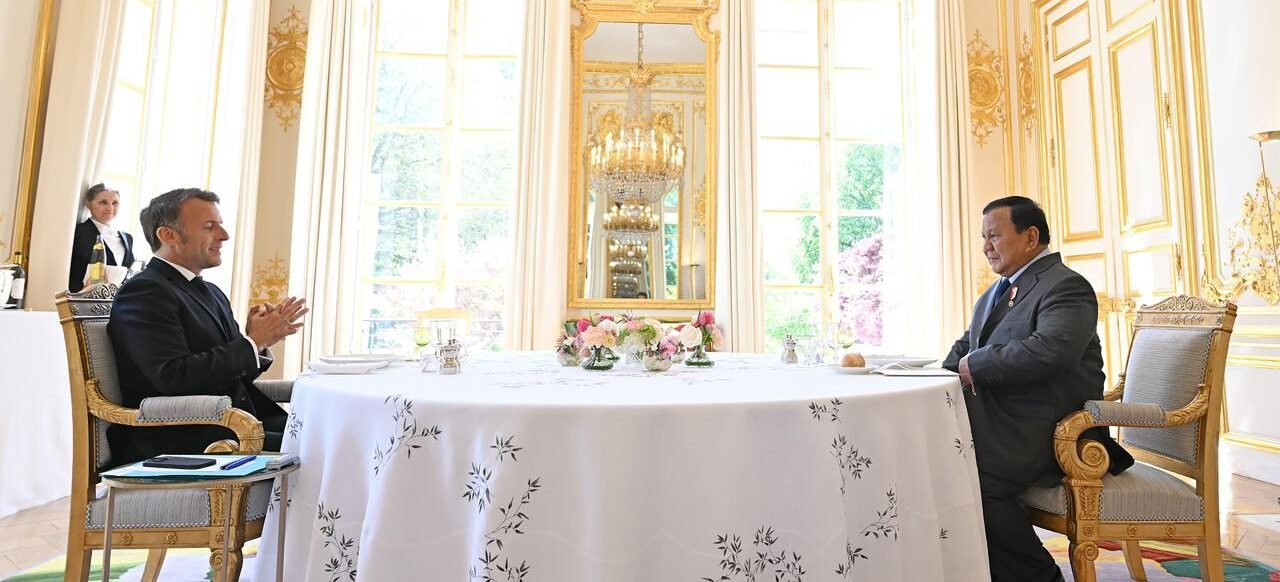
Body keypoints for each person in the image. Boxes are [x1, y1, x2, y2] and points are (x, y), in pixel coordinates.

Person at [942, 195, 1133, 582]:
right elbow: (965, 347)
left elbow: (1051, 350)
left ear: (1030, 237)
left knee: (967, 472)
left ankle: (1041, 576)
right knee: (937, 454)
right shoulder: (995, 292)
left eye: (994, 236)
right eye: (983, 238)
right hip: (1004, 422)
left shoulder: (1066, 286)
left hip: (1050, 428)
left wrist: (973, 365)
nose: (986, 247)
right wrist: (937, 377)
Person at [107, 188, 308, 465]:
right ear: (168, 235)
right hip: (185, 437)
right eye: (209, 226)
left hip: (236, 423)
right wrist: (253, 342)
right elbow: (174, 377)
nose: (224, 235)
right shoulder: (144, 291)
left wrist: (256, 343)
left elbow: (230, 373)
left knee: (336, 434)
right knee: (330, 446)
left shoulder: (212, 291)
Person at [69, 183, 136, 292]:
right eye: (103, 202)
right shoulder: (77, 233)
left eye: (115, 203)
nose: (110, 208)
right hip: (81, 297)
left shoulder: (127, 238)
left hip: (118, 299)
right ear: (88, 204)